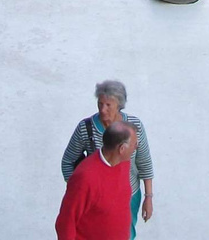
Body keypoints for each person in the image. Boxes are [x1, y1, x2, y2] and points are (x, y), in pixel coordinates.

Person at [60, 80, 154, 236]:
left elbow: (144, 162)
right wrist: (80, 190)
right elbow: (68, 161)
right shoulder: (86, 127)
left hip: (128, 194)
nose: (103, 109)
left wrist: (148, 197)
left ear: (119, 105)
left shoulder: (134, 126)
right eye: (100, 103)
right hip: (98, 198)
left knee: (124, 233)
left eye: (108, 105)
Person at [56, 119, 137, 240]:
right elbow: (66, 222)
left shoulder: (123, 162)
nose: (136, 146)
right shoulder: (85, 178)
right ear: (121, 149)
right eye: (134, 144)